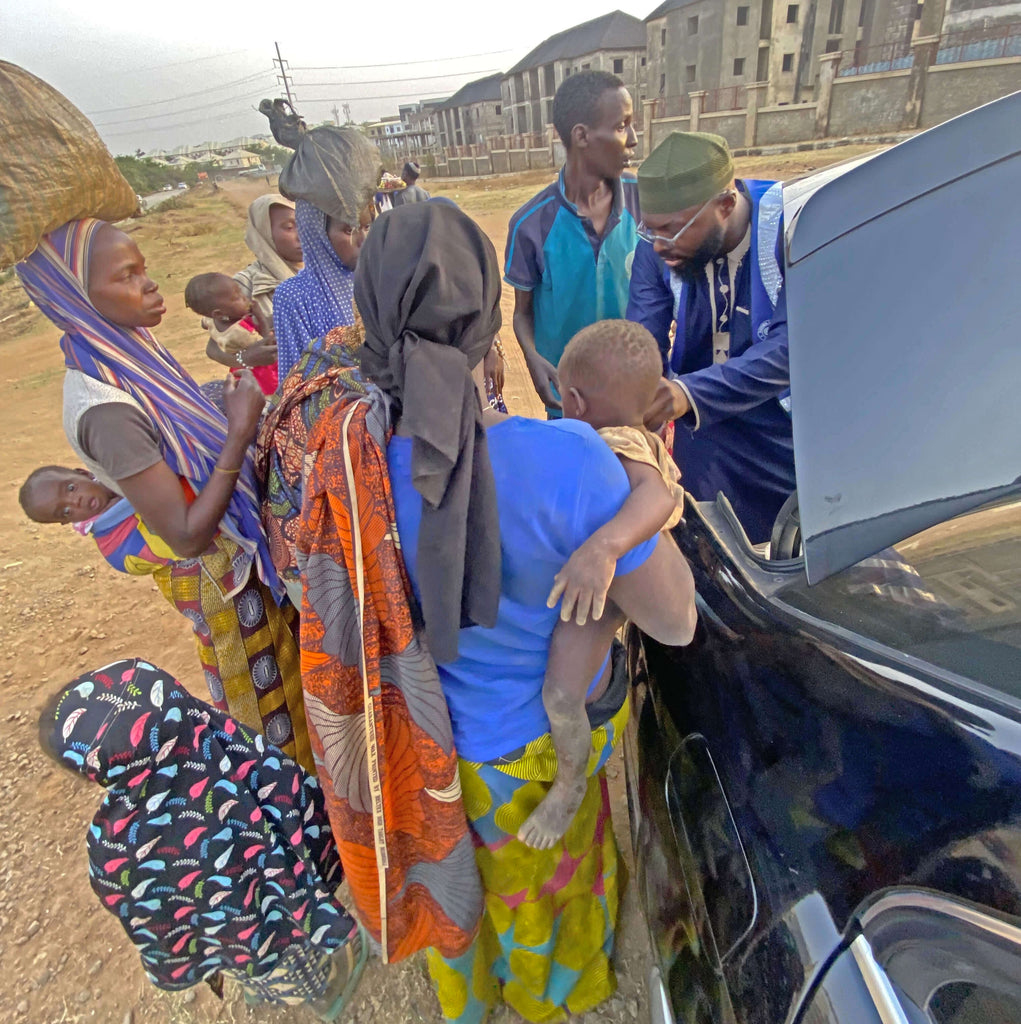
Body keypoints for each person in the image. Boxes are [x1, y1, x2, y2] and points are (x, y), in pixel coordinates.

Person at [298, 201, 697, 1021]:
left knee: (460, 900)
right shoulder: (569, 460)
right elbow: (674, 622)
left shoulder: (342, 466)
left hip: (416, 754)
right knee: (541, 898)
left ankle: (471, 1000)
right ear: (488, 333)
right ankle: (552, 995)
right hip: (526, 757)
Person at [15, 219, 313, 772]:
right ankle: (291, 826)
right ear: (76, 296)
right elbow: (184, 533)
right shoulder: (106, 410)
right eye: (129, 275)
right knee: (275, 722)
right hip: (223, 583)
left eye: (145, 268)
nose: (151, 285)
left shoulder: (128, 354)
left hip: (242, 561)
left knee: (300, 691)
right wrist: (241, 430)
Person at [38, 658, 367, 1018]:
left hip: (229, 939)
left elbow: (142, 910)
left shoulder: (112, 846)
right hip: (284, 911)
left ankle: (312, 992)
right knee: (296, 958)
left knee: (270, 969)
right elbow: (303, 805)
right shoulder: (237, 749)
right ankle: (321, 990)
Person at [627, 130, 795, 544]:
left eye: (672, 230)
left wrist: (687, 393)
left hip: (789, 436)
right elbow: (643, 339)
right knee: (712, 554)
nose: (659, 247)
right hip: (704, 438)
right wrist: (635, 391)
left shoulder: (791, 229)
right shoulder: (657, 248)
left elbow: (794, 349)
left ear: (724, 204)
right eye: (651, 231)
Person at [504, 70, 639, 416]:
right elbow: (522, 314)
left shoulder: (645, 202)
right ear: (581, 136)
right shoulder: (530, 224)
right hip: (568, 400)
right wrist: (533, 360)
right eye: (622, 126)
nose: (634, 139)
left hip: (632, 393)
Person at [272, 200, 373, 380]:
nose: (363, 240)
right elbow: (294, 381)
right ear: (317, 233)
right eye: (349, 231)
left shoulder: (378, 282)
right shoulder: (293, 296)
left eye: (367, 226)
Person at [203, 193, 301, 377]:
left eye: (303, 224)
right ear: (264, 233)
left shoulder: (325, 271)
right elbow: (213, 348)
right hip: (279, 388)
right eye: (289, 227)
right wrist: (245, 358)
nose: (301, 234)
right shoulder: (243, 286)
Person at [186, 272, 279, 394]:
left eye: (240, 292)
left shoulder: (211, 320)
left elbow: (204, 323)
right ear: (219, 313)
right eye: (237, 298)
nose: (245, 298)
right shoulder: (239, 332)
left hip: (240, 370)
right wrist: (259, 315)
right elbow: (267, 342)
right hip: (260, 372)